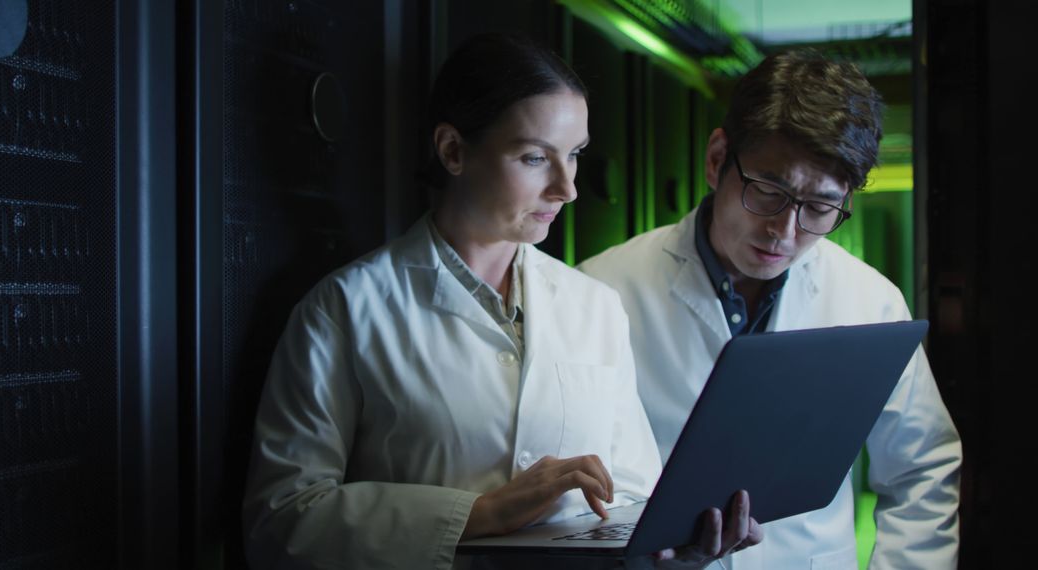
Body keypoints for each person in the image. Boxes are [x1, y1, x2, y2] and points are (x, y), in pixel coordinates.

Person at [242, 33, 760, 570]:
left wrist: (679, 548)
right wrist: (481, 513)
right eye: (535, 157)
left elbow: (630, 496)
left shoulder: (595, 306)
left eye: (575, 155)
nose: (567, 189)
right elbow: (282, 521)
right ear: (453, 151)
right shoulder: (346, 309)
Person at [579, 49, 962, 569]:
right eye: (768, 191)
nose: (784, 232)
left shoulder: (870, 300)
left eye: (820, 208)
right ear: (718, 159)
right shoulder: (600, 291)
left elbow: (922, 469)